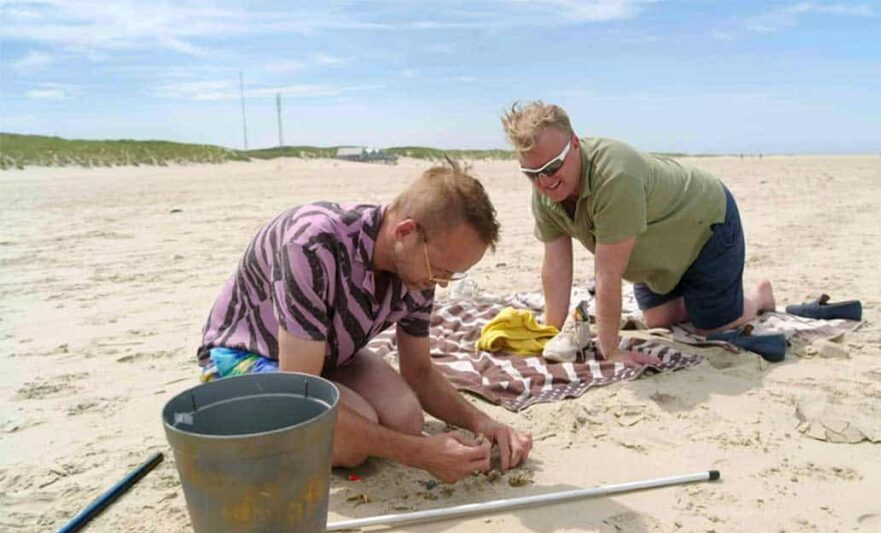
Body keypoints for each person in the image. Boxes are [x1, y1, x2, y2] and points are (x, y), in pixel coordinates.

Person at [197, 163, 532, 483]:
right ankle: (247, 421)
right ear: (406, 231)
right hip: (245, 354)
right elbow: (303, 398)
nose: (441, 283)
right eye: (440, 270)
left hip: (322, 353)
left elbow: (419, 371)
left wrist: (483, 423)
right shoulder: (312, 245)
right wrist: (422, 455)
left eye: (452, 274)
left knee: (406, 418)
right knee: (352, 442)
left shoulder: (417, 270)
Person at [501, 101, 776, 366]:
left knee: (713, 327)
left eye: (552, 167)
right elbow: (556, 265)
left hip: (706, 224)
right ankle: (701, 297)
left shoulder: (614, 175)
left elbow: (607, 273)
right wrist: (551, 331)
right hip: (657, 249)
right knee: (657, 319)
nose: (545, 181)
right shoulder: (545, 192)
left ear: (575, 143)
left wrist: (610, 350)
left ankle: (758, 296)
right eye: (531, 173)